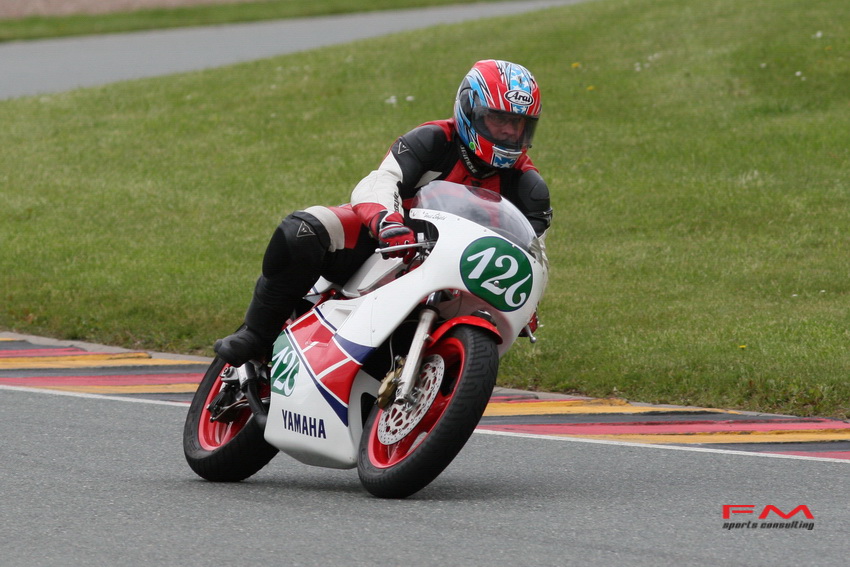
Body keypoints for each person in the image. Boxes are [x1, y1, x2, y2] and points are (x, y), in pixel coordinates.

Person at [214, 59, 552, 367]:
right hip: (390, 242)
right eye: (499, 119)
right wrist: (386, 222)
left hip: (456, 269)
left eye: (519, 123)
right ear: (469, 109)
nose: (509, 132)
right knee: (302, 230)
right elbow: (379, 181)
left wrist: (527, 302)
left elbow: (533, 253)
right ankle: (256, 335)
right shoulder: (433, 140)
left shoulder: (528, 186)